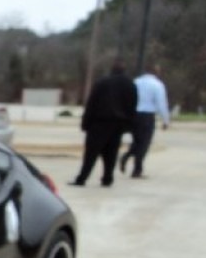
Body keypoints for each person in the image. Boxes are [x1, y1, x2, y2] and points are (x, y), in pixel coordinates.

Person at [70, 59, 136, 187]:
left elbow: (92, 103)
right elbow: (132, 106)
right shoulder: (130, 85)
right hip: (118, 124)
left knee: (91, 153)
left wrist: (85, 122)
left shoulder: (102, 83)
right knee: (111, 153)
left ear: (112, 70)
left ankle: (82, 178)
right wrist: (129, 125)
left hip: (99, 122)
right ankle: (107, 178)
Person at [120, 65, 169, 178]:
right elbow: (161, 104)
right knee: (144, 143)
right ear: (156, 73)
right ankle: (137, 169)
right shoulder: (157, 85)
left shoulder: (135, 82)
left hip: (134, 114)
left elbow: (127, 98)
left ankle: (127, 156)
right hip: (147, 116)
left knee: (136, 140)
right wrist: (165, 120)